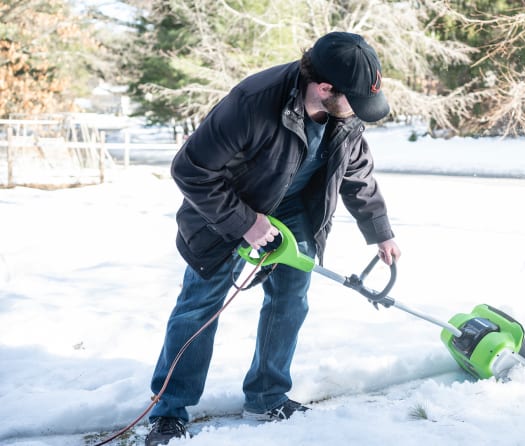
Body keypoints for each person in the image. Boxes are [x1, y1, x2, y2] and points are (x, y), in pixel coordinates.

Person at [145, 32, 401, 446]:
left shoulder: (345, 112)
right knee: (199, 307)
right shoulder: (252, 104)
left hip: (296, 209)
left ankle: (266, 395)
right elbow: (190, 170)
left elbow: (356, 172)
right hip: (225, 211)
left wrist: (380, 231)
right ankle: (169, 410)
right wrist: (245, 222)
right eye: (354, 99)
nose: (358, 110)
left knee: (291, 298)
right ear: (324, 88)